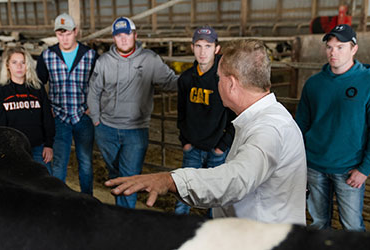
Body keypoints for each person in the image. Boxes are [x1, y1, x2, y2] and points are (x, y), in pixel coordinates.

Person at [105, 39, 307, 225]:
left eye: (218, 79)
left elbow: (236, 180)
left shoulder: (269, 129)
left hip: (264, 239)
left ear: (231, 84)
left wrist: (171, 180)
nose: (217, 84)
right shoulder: (259, 120)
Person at [295, 24, 370, 231]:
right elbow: (301, 124)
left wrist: (365, 168)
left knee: (352, 225)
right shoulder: (314, 84)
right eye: (329, 47)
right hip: (315, 166)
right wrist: (299, 160)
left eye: (340, 47)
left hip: (349, 169)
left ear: (353, 49)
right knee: (319, 222)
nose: (333, 53)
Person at [87, 16, 178, 208]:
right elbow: (93, 92)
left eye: (127, 34)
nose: (123, 39)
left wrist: (199, 77)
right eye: (119, 35)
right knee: (115, 175)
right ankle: (123, 216)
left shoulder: (150, 59)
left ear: (135, 35)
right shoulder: (104, 62)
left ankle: (124, 221)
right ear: (114, 39)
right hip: (106, 130)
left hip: (135, 130)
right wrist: (96, 120)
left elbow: (171, 82)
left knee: (129, 178)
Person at [174, 25, 236, 215]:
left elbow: (234, 115)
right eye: (199, 46)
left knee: (215, 199)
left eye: (208, 46)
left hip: (216, 149)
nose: (203, 52)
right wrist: (185, 142)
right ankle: (177, 231)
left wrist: (222, 146)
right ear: (192, 47)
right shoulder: (185, 79)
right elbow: (181, 113)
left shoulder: (225, 79)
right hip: (192, 147)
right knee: (184, 193)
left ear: (217, 49)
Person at [36, 13, 98, 195]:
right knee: (59, 162)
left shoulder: (90, 55)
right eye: (60, 34)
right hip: (59, 117)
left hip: (83, 116)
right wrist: (47, 110)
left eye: (68, 33)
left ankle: (87, 198)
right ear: (56, 34)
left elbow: (99, 84)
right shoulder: (47, 56)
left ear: (75, 32)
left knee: (85, 161)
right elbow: (38, 86)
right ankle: (59, 200)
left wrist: (93, 107)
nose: (64, 38)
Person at [0, 47, 55, 171]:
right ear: (8, 66)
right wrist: (3, 147)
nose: (19, 66)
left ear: (28, 65)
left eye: (23, 62)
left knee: (44, 184)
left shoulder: (37, 87)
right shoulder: (0, 90)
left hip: (38, 147)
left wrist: (48, 145)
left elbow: (47, 117)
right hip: (12, 148)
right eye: (14, 62)